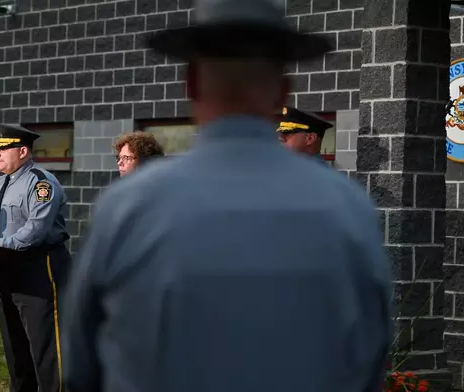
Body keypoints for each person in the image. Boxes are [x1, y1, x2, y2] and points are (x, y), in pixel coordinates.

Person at [62, 0, 392, 391]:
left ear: (191, 83)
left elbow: (82, 362)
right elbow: (370, 356)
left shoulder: (127, 207)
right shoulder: (349, 209)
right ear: (282, 91)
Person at [0, 123, 71, 392]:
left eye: (3, 148)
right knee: (14, 348)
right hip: (4, 271)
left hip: (38, 270)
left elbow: (36, 228)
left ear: (23, 151)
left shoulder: (41, 182)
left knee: (45, 350)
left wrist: (0, 243)